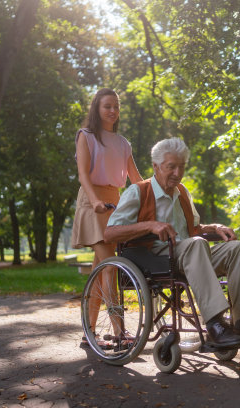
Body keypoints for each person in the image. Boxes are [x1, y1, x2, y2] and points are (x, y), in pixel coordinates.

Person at [104, 138, 240, 349]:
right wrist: (150, 225)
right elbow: (110, 233)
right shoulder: (138, 192)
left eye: (182, 167)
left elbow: (194, 228)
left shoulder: (183, 193)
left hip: (191, 256)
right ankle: (215, 325)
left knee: (236, 248)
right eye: (171, 167)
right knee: (196, 245)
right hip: (156, 260)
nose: (177, 173)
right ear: (156, 166)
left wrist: (214, 227)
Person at [70, 88, 143, 346]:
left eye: (116, 106)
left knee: (101, 270)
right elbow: (83, 176)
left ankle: (88, 333)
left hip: (115, 205)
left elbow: (136, 180)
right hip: (93, 203)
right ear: (97, 109)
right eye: (107, 106)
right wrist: (95, 201)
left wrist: (159, 193)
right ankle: (120, 331)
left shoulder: (123, 143)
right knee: (110, 266)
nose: (112, 111)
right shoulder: (86, 136)